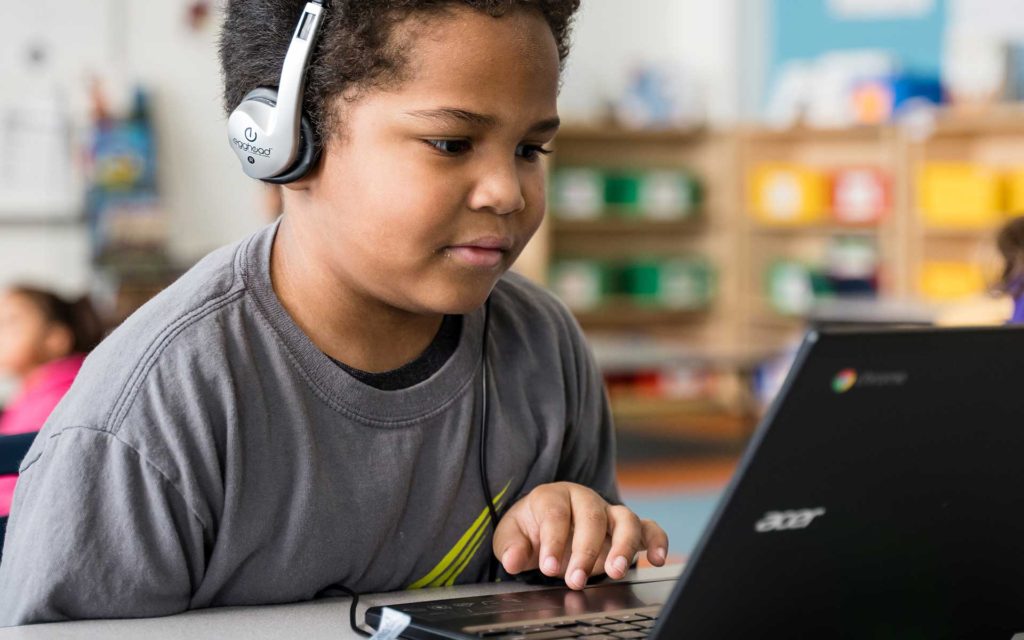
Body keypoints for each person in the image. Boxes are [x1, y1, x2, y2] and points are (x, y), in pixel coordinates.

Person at [0, 0, 668, 625]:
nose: (507, 192)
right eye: (451, 143)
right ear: (285, 142)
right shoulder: (152, 412)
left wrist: (576, 539)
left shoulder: (543, 344)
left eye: (529, 151)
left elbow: (591, 602)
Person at [0, 286, 102, 516]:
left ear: (55, 339)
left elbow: (36, 487)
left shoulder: (59, 399)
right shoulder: (30, 394)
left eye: (11, 321)